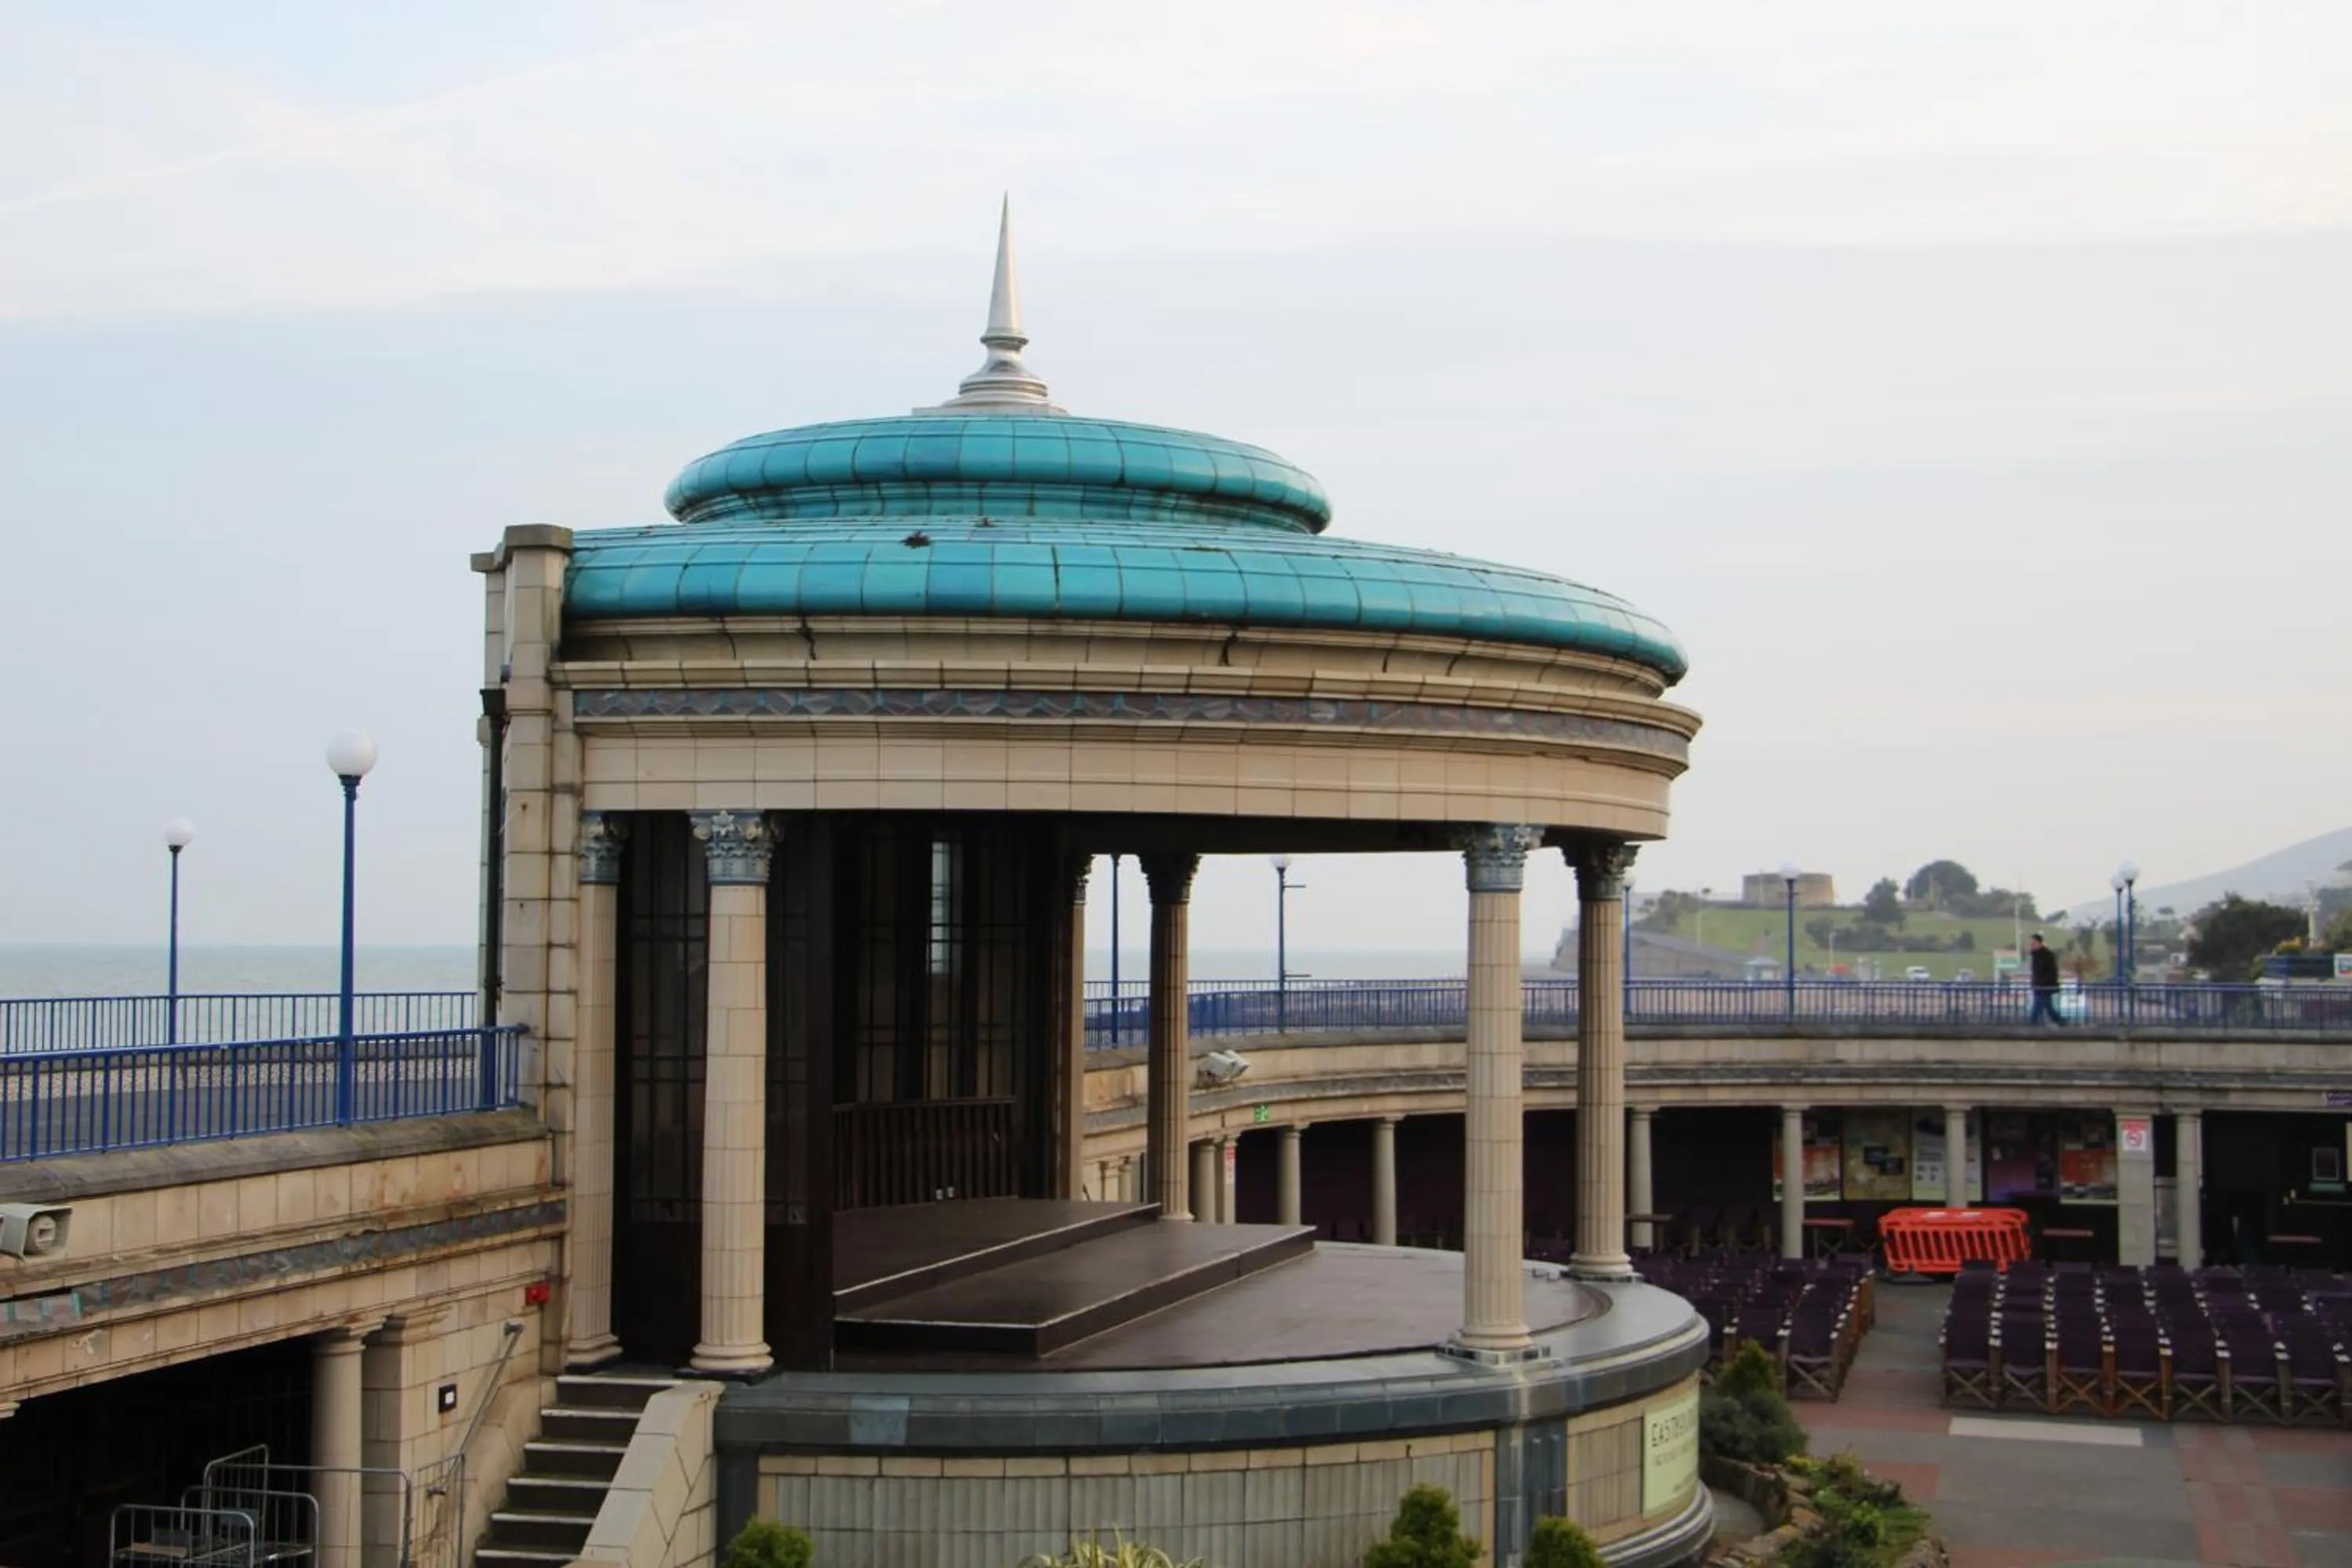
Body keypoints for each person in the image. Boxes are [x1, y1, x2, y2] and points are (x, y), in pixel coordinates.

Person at [2027, 933, 2066, 1026]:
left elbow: (2052, 972)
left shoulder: (2047, 955)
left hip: (2044, 986)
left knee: (2039, 1004)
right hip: (2038, 986)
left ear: (2040, 943)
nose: (2032, 945)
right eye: (2031, 943)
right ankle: (2060, 1021)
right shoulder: (2035, 955)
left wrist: (2045, 984)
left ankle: (2033, 1023)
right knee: (2047, 1005)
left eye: (2034, 943)